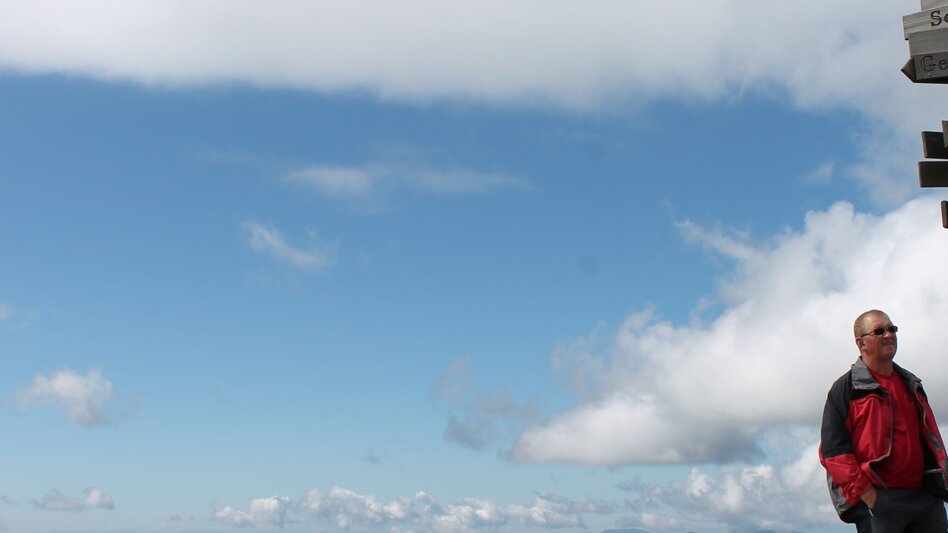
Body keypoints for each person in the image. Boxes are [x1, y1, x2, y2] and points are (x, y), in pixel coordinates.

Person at [820, 309, 948, 533]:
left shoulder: (912, 384)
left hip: (925, 499)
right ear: (861, 343)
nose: (889, 335)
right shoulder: (845, 390)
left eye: (892, 329)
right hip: (881, 502)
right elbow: (834, 454)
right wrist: (871, 498)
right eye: (880, 331)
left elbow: (930, 438)